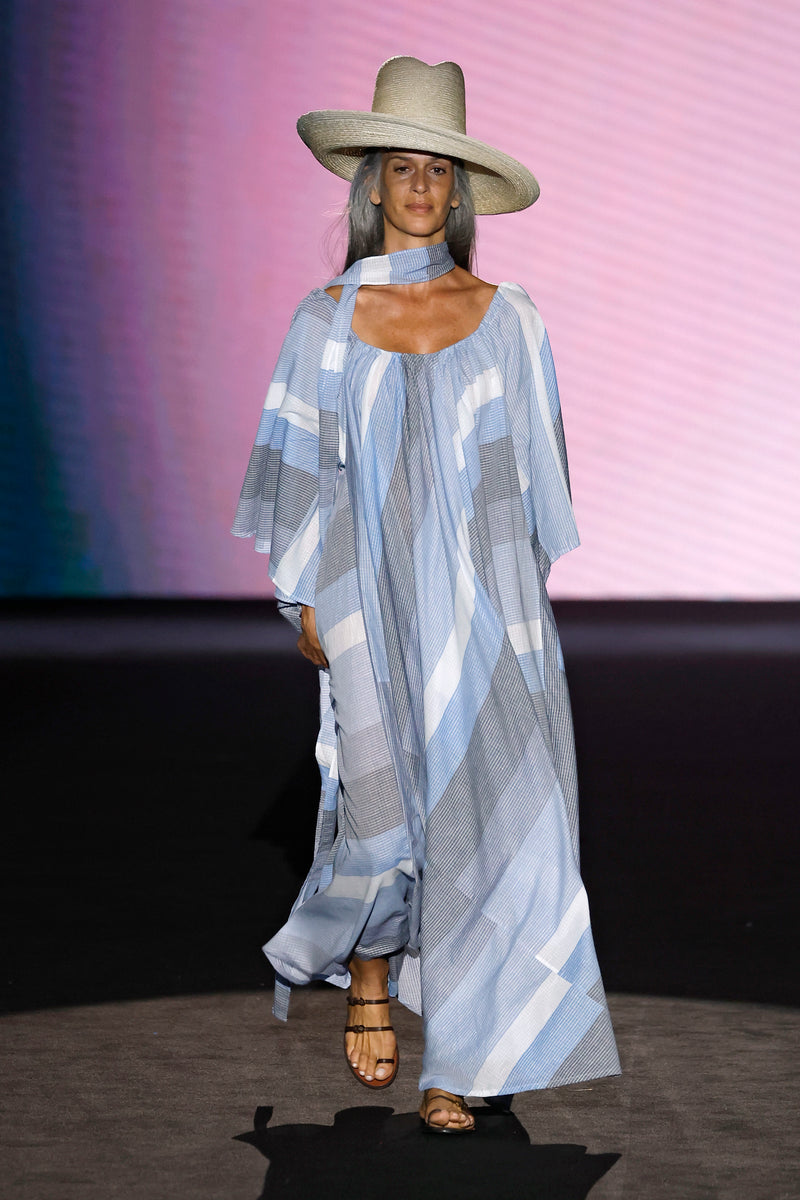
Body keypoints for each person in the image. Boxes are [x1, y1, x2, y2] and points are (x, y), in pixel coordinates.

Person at [233, 56, 620, 1135]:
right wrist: (303, 596)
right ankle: (367, 971)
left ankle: (464, 1054)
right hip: (364, 596)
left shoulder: (509, 318)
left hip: (485, 608)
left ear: (459, 192)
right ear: (370, 185)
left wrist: (514, 619)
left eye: (436, 171)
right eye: (400, 167)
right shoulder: (323, 321)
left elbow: (530, 484)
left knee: (499, 823)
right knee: (378, 807)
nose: (418, 187)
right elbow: (298, 470)